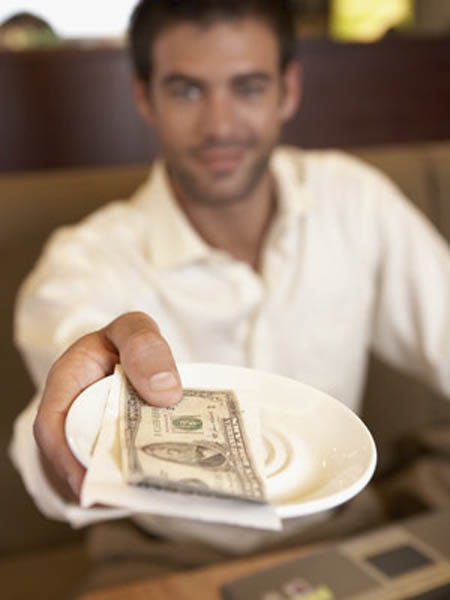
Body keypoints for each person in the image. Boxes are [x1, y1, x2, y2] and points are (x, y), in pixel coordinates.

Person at [9, 0, 450, 583]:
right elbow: (58, 429)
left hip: (342, 527)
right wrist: (67, 424)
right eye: (188, 91)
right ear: (145, 98)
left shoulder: (354, 202)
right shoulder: (83, 262)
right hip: (161, 553)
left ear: (287, 91)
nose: (219, 124)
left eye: (247, 87)